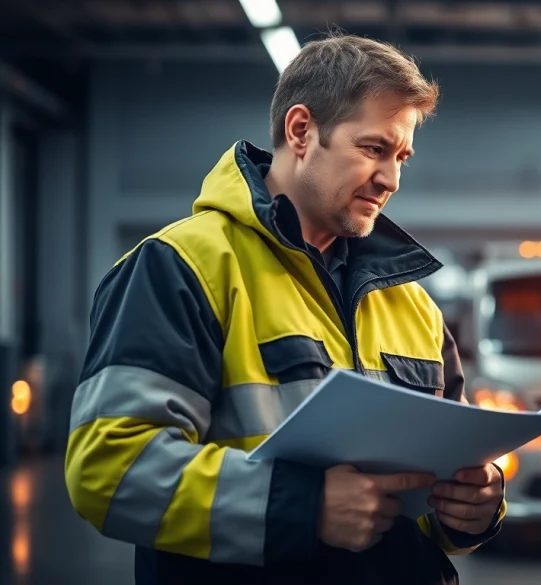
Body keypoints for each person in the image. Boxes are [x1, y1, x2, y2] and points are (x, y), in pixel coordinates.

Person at [64, 33, 506, 585]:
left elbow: (438, 492)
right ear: (301, 131)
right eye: (373, 148)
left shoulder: (412, 303)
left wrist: (471, 508)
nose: (391, 179)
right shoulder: (181, 267)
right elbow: (108, 471)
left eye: (401, 157)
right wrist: (305, 507)